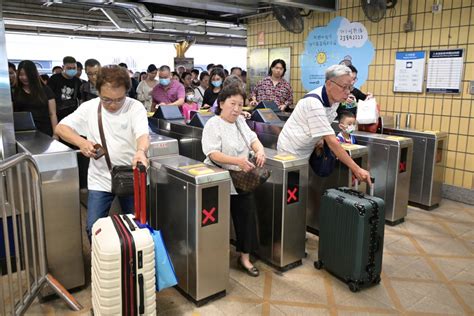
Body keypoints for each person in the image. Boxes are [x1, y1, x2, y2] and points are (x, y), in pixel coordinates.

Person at [55, 65, 149, 240]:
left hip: (130, 176)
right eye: (106, 100)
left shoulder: (134, 107)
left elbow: (143, 134)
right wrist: (81, 142)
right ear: (97, 91)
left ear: (127, 92)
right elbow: (61, 128)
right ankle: (101, 264)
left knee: (138, 228)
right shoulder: (89, 108)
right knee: (93, 228)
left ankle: (132, 263)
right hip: (100, 178)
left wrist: (140, 151)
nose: (113, 105)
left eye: (119, 99)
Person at [202, 85, 266, 277]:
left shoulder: (240, 122)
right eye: (232, 104)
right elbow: (212, 153)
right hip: (218, 178)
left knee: (246, 218)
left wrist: (260, 150)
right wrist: (236, 161)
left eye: (240, 104)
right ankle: (212, 256)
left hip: (242, 178)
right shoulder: (213, 124)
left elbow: (253, 138)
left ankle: (244, 258)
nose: (237, 109)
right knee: (214, 220)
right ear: (221, 103)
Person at [277, 64, 371, 185]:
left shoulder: (335, 101)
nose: (348, 92)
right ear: (329, 84)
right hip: (290, 151)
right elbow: (332, 141)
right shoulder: (314, 102)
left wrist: (320, 137)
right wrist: (356, 169)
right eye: (344, 87)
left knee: (303, 187)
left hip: (307, 150)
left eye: (350, 87)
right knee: (292, 189)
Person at [13, 60, 58, 137]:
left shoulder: (45, 90)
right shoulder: (15, 90)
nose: (24, 77)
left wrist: (55, 134)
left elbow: (52, 114)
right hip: (22, 132)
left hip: (45, 131)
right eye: (21, 74)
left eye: (27, 75)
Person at [47, 56, 82, 121]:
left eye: (74, 68)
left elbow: (80, 98)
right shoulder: (54, 79)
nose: (72, 70)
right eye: (69, 68)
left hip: (72, 116)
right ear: (63, 67)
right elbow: (48, 97)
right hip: (56, 115)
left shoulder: (77, 81)